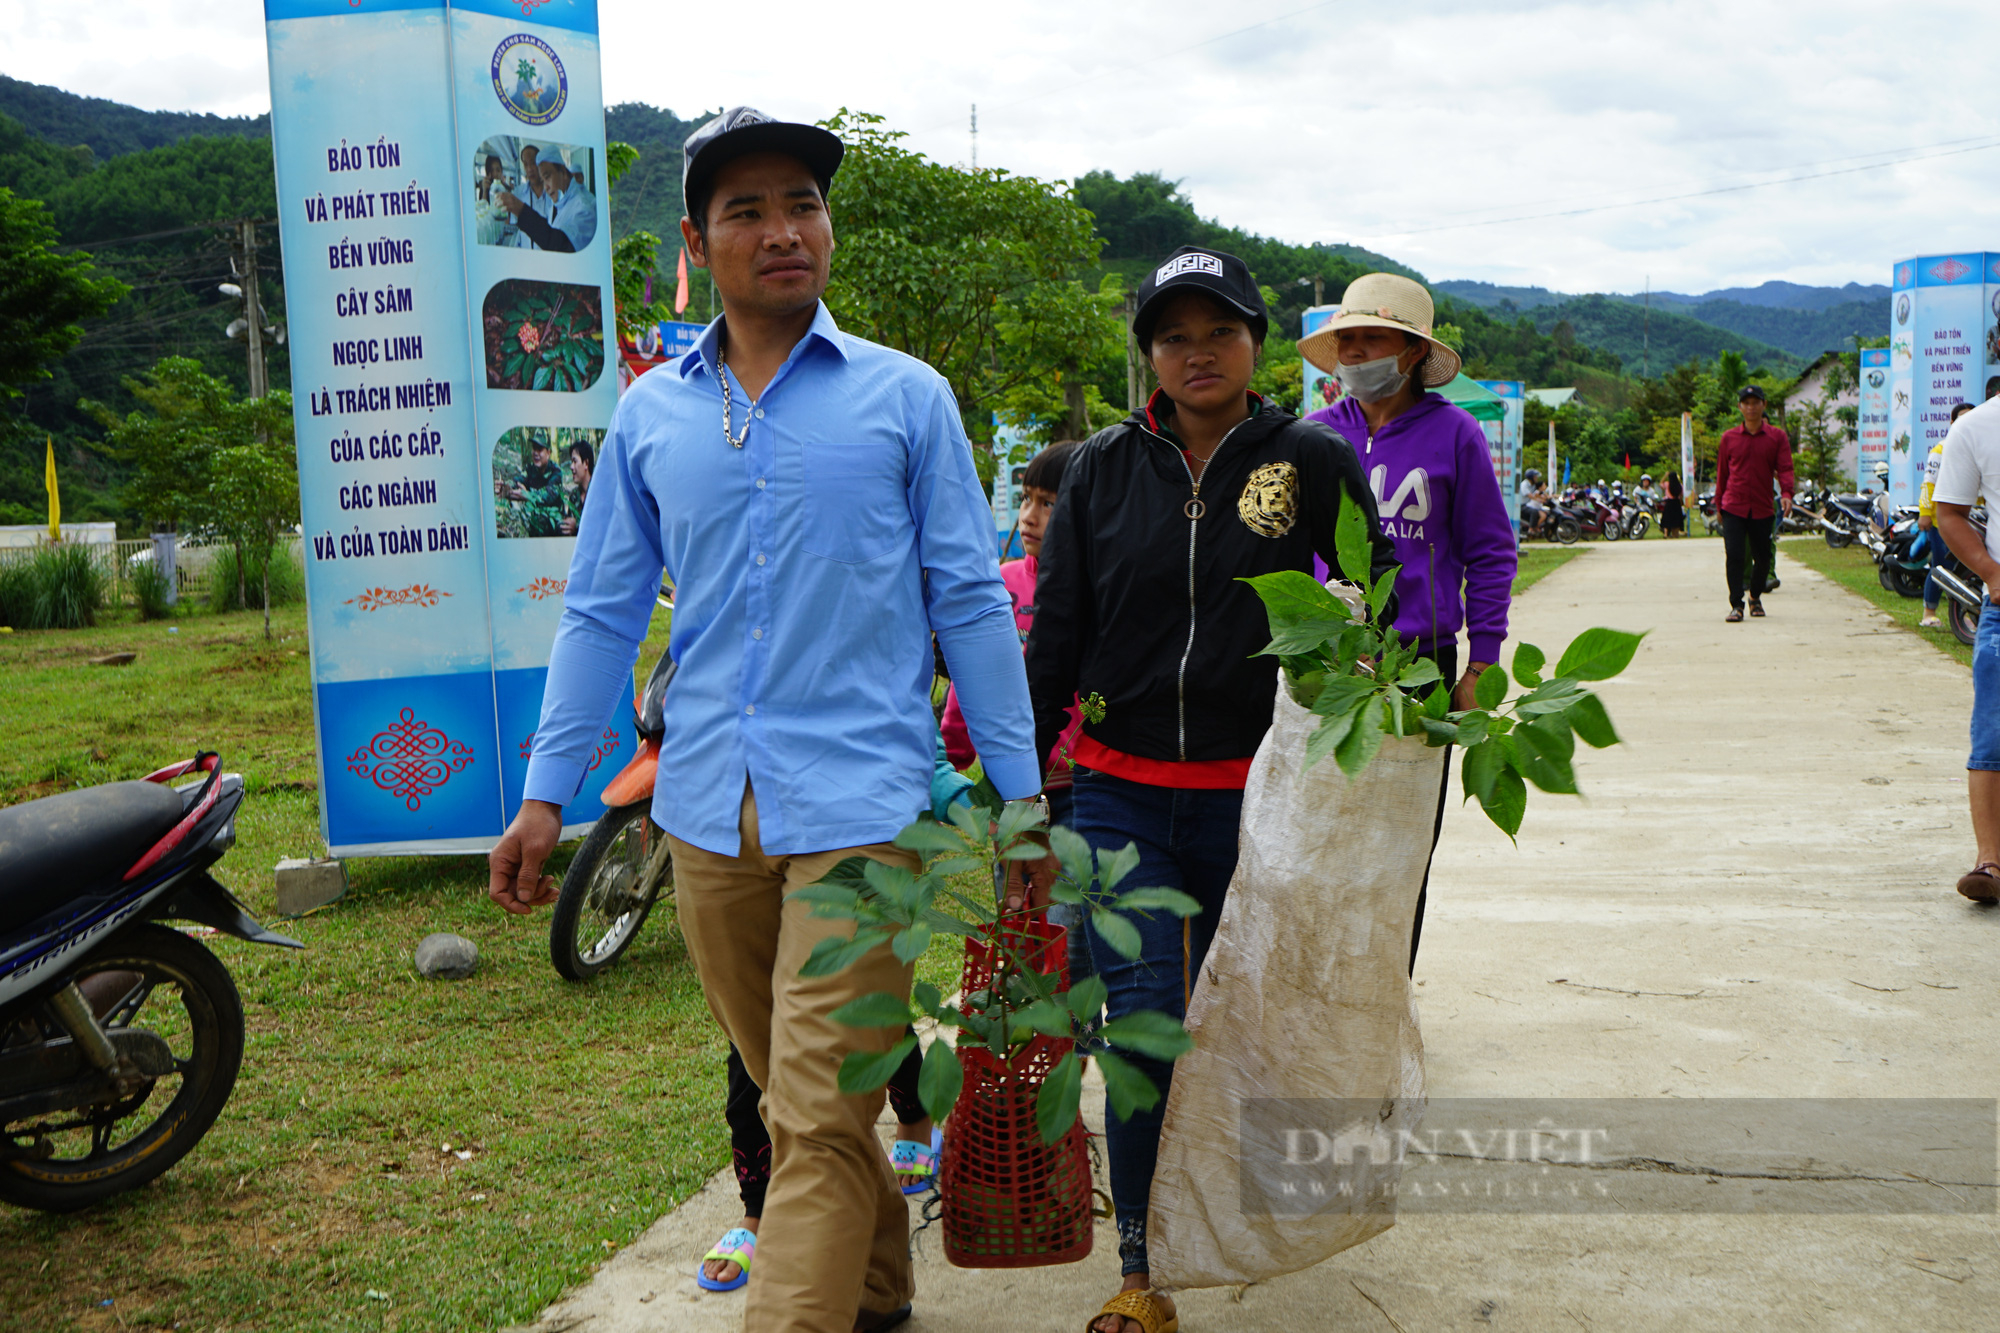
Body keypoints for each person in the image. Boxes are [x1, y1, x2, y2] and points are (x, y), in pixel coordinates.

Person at [488, 106, 1048, 1333]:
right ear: (699, 240)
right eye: (748, 210)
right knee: (797, 1092)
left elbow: (968, 601)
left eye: (803, 203)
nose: (783, 230)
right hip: (701, 812)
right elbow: (598, 612)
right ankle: (879, 1289)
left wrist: (1019, 795)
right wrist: (542, 792)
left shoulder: (905, 399)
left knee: (812, 1101)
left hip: (867, 809)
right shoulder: (651, 416)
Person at [1024, 245, 1398, 1333]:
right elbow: (1056, 634)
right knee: (1142, 1031)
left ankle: (1245, 1214)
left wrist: (1380, 702)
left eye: (1219, 331)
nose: (1198, 352)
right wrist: (1011, 782)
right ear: (1146, 352)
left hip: (1260, 798)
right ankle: (1141, 1266)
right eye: (1175, 334)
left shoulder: (1310, 459)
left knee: (1248, 1025)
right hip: (1119, 797)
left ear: (1253, 345)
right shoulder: (1098, 470)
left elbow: (1368, 600)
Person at [1301, 271, 1518, 970]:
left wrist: (1481, 661)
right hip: (1324, 669)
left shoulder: (1455, 436)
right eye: (1348, 339)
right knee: (1320, 838)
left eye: (1374, 338)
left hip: (1418, 666)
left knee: (1400, 844)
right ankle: (1324, 992)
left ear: (1413, 351)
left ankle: (1385, 992)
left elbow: (1489, 552)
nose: (1358, 352)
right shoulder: (1310, 439)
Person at [699, 738, 970, 1294]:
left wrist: (972, 805)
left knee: (866, 1022)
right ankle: (761, 1205)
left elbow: (917, 741)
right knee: (754, 1055)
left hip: (847, 852)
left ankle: (914, 1119)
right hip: (744, 857)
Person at [1930, 397, 2000, 902]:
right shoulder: (1976, 426)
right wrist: (1993, 573)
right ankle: (1990, 862)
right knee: (1992, 734)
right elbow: (1948, 512)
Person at [1714, 384, 1795, 622]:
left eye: (1755, 402)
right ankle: (1736, 604)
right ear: (1740, 407)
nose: (1751, 407)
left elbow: (1785, 468)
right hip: (1733, 505)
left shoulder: (1776, 437)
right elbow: (1722, 475)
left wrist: (1787, 493)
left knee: (1762, 558)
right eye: (1746, 403)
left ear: (1763, 405)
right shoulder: (1728, 438)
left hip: (1762, 506)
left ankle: (1755, 597)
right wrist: (1719, 505)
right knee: (1735, 555)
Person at [1917, 403, 1975, 628]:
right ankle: (1929, 612)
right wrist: (1925, 514)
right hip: (1941, 522)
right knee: (1941, 566)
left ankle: (1967, 615)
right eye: (1961, 419)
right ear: (1952, 423)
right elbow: (1928, 485)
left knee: (1969, 568)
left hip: (1972, 520)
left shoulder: (1977, 448)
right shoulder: (1940, 450)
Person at [503, 151, 599, 253]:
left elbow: (560, 244)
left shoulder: (584, 209)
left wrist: (522, 211)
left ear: (563, 172)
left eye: (547, 177)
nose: (546, 187)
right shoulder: (560, 204)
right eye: (543, 180)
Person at [557, 439, 594, 537]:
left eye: (575, 461)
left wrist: (577, 526)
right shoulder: (574, 495)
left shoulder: (599, 492)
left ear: (586, 463)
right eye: (571, 462)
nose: (571, 467)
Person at [1661, 470, 1686, 536]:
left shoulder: (1667, 484)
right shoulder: (1680, 485)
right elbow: (1681, 495)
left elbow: (1661, 483)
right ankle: (1675, 534)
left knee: (1667, 518)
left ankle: (1665, 534)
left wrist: (1665, 475)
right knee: (1676, 519)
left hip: (1669, 503)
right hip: (1676, 503)